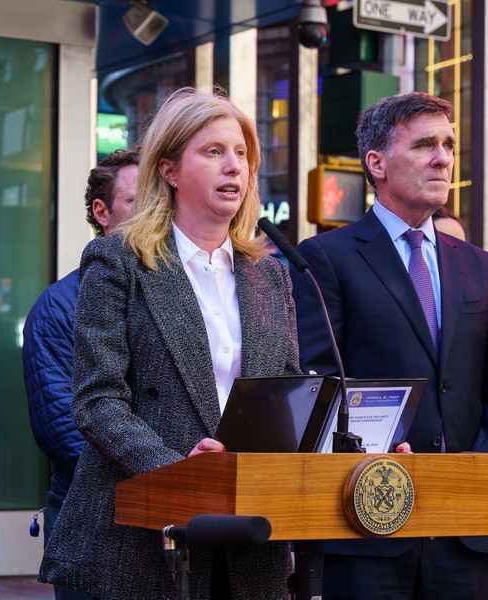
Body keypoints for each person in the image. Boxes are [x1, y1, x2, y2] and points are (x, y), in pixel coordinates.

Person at [39, 87, 297, 599]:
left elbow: (288, 399)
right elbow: (98, 402)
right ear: (170, 169)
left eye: (242, 154)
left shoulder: (270, 275)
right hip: (143, 538)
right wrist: (177, 473)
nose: (234, 168)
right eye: (214, 152)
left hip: (251, 540)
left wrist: (360, 446)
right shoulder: (118, 261)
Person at [291, 91, 488, 599]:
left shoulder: (478, 266)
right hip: (367, 525)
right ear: (376, 163)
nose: (443, 157)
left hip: (464, 529)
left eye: (447, 144)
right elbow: (317, 387)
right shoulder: (325, 260)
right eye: (425, 145)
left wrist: (472, 472)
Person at [22, 148, 138, 600]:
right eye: (135, 203)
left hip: (164, 516)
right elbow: (63, 428)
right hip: (92, 524)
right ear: (101, 212)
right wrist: (161, 473)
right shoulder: (58, 307)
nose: (152, 214)